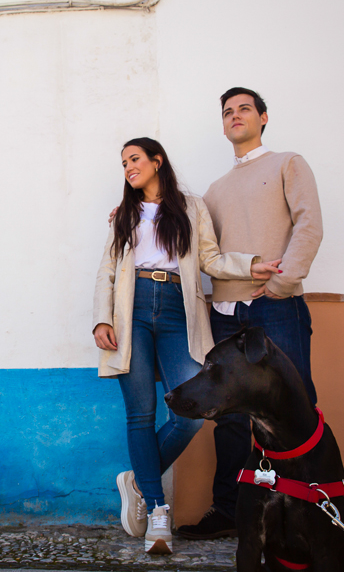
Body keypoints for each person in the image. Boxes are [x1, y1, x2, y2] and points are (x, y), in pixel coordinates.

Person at [92, 137, 281, 555]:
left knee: (192, 413)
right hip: (132, 309)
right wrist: (102, 319)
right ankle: (158, 513)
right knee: (140, 413)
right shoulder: (123, 214)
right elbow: (107, 270)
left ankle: (139, 479)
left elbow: (211, 260)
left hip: (180, 309)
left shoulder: (191, 207)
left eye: (135, 159)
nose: (128, 167)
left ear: (157, 161)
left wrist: (250, 265)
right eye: (123, 162)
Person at [175, 87, 323, 541]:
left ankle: (311, 509)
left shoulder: (288, 163)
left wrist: (281, 285)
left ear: (262, 117)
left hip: (276, 309)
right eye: (227, 112)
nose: (235, 116)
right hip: (224, 314)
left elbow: (309, 225)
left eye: (244, 109)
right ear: (223, 125)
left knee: (294, 408)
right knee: (230, 418)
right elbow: (205, 250)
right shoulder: (214, 191)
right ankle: (230, 511)